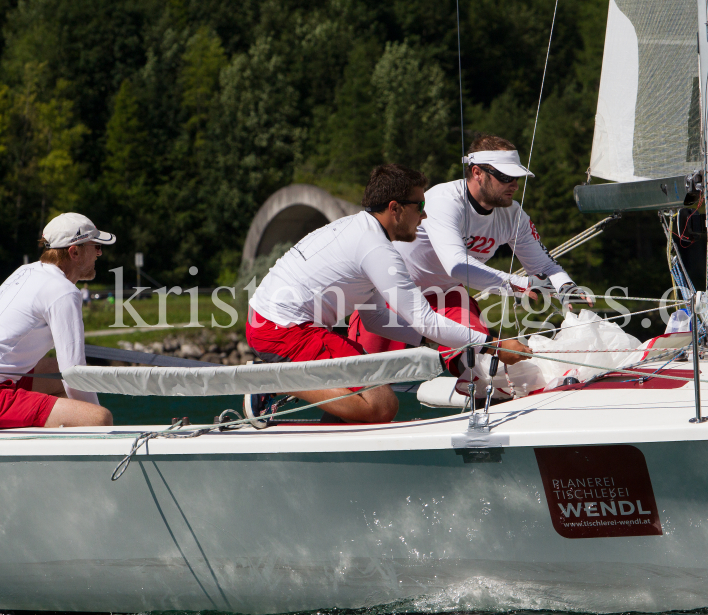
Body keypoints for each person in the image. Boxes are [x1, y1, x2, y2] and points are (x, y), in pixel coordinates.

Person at [245, 163, 531, 423]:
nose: (425, 214)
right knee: (382, 406)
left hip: (276, 321)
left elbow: (375, 318)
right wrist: (494, 344)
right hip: (281, 329)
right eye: (419, 205)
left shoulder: (364, 232)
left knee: (368, 391)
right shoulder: (377, 250)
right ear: (395, 209)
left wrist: (426, 342)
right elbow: (425, 319)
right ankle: (272, 380)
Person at [348, 134, 590, 376]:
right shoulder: (444, 201)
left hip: (446, 297)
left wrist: (567, 287)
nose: (515, 185)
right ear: (477, 173)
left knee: (481, 365)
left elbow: (542, 265)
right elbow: (456, 265)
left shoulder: (514, 216)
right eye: (505, 177)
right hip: (391, 294)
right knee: (362, 386)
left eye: (517, 177)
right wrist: (521, 285)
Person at [0, 213, 116, 430]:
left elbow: (67, 373)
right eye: (96, 246)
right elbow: (75, 374)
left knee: (54, 372)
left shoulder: (26, 271)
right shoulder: (63, 291)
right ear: (75, 252)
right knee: (100, 419)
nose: (99, 253)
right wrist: (98, 425)